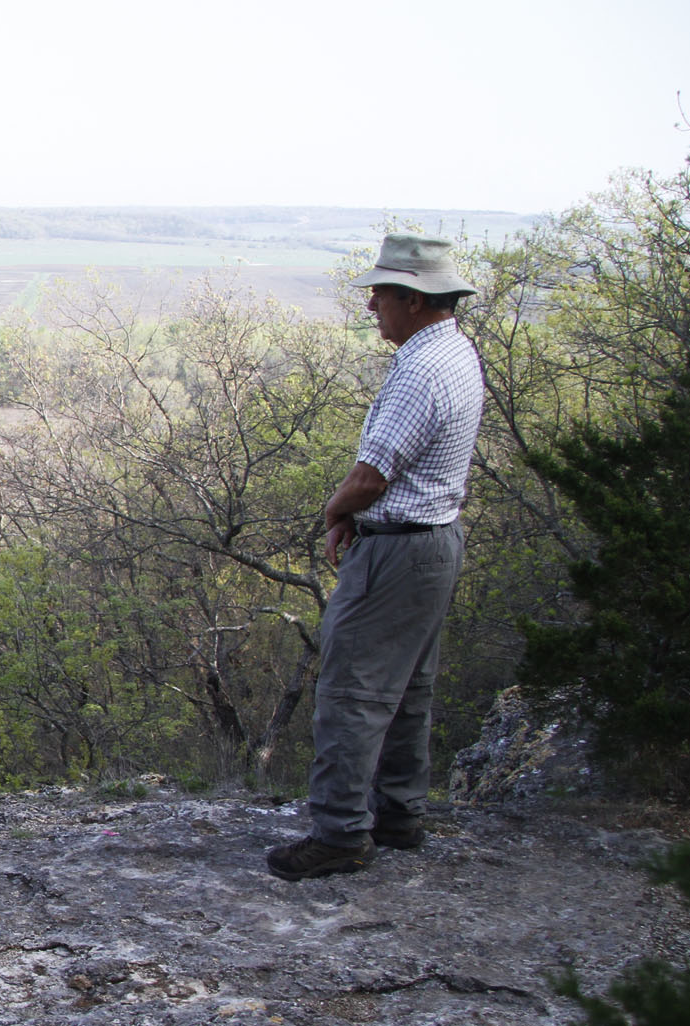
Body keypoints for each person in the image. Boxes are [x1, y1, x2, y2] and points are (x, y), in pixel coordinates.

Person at [266, 233, 485, 881]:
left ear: (414, 299)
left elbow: (372, 475)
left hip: (397, 553)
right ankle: (397, 816)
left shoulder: (420, 368)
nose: (371, 307)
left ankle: (340, 834)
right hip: (434, 545)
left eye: (380, 294)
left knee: (351, 691)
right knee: (409, 687)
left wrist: (337, 512)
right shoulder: (455, 352)